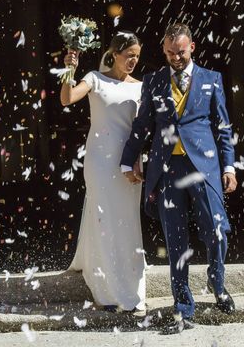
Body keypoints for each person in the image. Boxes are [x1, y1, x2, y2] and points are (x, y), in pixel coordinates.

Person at [120, 22, 238, 334]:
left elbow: (223, 128)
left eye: (181, 52)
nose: (176, 58)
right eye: (171, 52)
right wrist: (127, 160)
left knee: (216, 229)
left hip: (205, 167)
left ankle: (218, 281)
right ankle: (183, 308)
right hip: (167, 171)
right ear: (163, 50)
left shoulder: (212, 80)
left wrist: (229, 167)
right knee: (176, 241)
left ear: (192, 48)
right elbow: (142, 124)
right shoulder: (154, 81)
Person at [62, 31, 146, 313]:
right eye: (128, 55)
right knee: (103, 216)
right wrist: (69, 70)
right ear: (114, 53)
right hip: (99, 161)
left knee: (126, 220)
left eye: (137, 55)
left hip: (129, 162)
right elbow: (67, 98)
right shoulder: (95, 79)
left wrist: (139, 160)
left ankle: (130, 285)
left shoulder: (141, 87)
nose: (133, 60)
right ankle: (105, 288)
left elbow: (143, 129)